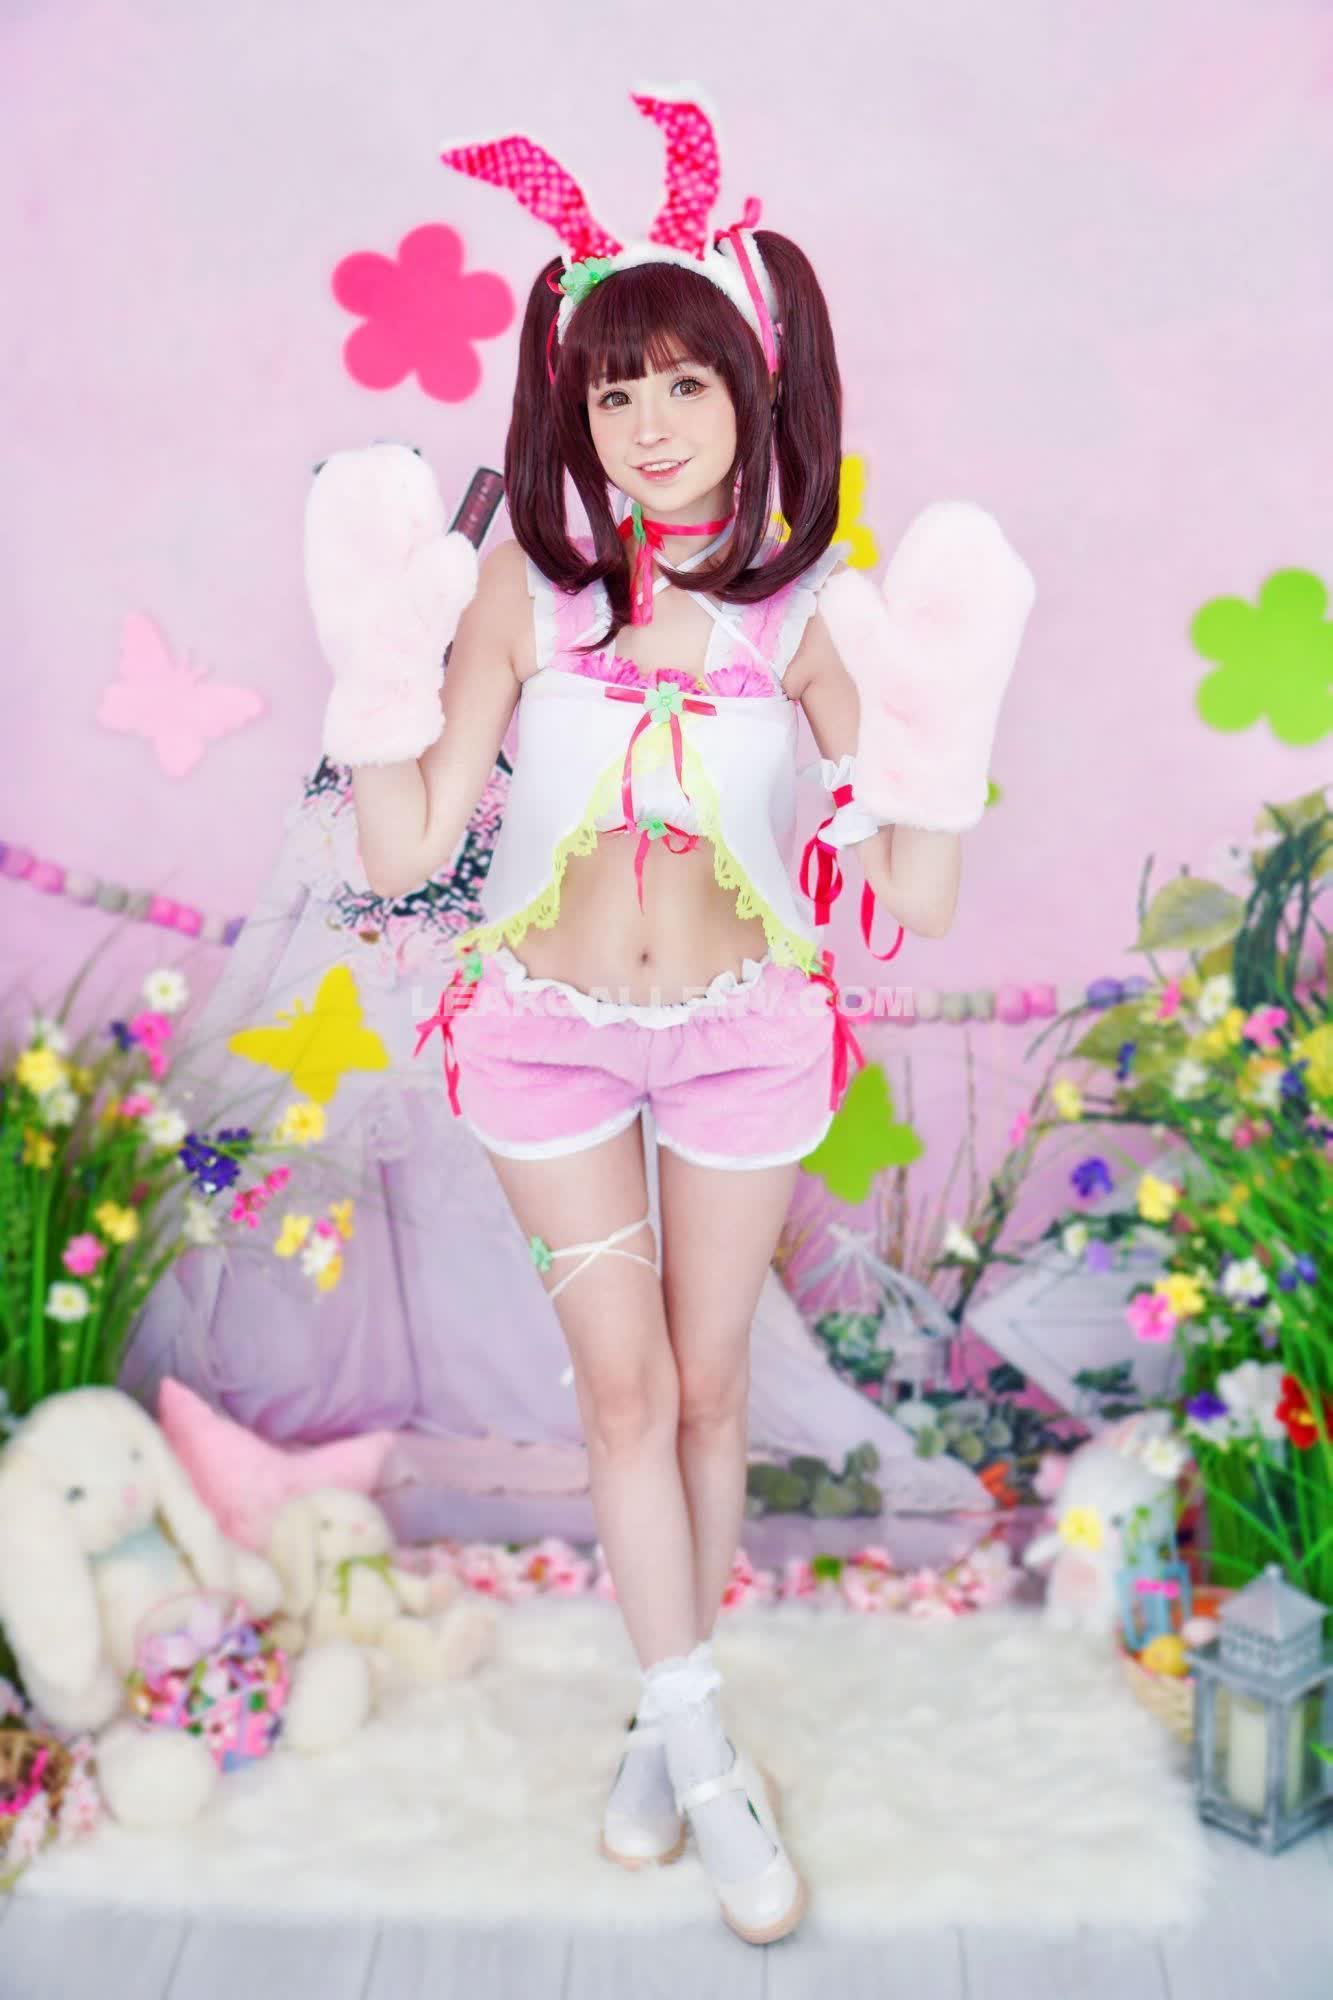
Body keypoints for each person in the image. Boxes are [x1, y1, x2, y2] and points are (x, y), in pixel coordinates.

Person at [303, 85, 1026, 1947]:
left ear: (754, 390)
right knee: (619, 1390)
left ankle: (660, 1703)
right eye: (611, 389)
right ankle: (704, 1760)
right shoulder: (523, 597)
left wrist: (944, 720)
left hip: (742, 1033)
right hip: (541, 1031)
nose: (645, 424)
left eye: (682, 382)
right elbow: (405, 848)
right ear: (572, 409)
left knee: (707, 1392)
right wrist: (372, 674)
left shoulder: (812, 621)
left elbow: (918, 896)